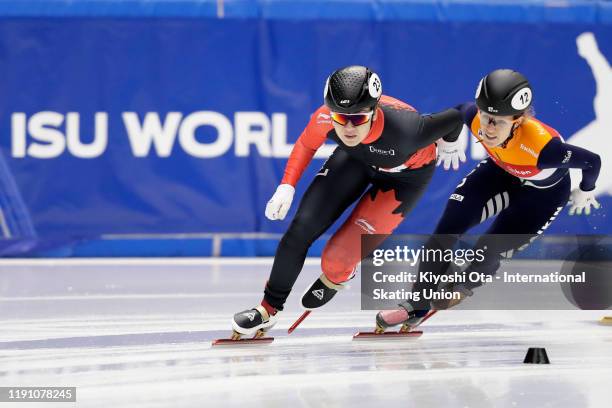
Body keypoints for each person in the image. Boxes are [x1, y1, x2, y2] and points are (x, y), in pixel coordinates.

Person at [231, 65, 465, 339]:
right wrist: (286, 185)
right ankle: (267, 310)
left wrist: (450, 140)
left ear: (375, 111)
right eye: (341, 119)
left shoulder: (406, 130)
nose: (349, 127)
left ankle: (338, 275)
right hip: (356, 159)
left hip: (404, 179)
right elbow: (307, 145)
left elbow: (460, 113)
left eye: (358, 119)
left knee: (335, 259)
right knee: (301, 228)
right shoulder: (324, 119)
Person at [376, 69, 602, 333]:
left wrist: (586, 189)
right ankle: (416, 304)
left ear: (517, 121)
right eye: (486, 117)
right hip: (499, 172)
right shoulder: (475, 117)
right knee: (445, 232)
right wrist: (448, 140)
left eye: (498, 122)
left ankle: (464, 284)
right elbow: (459, 111)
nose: (488, 128)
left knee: (490, 248)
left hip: (544, 194)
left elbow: (592, 160)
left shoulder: (544, 148)